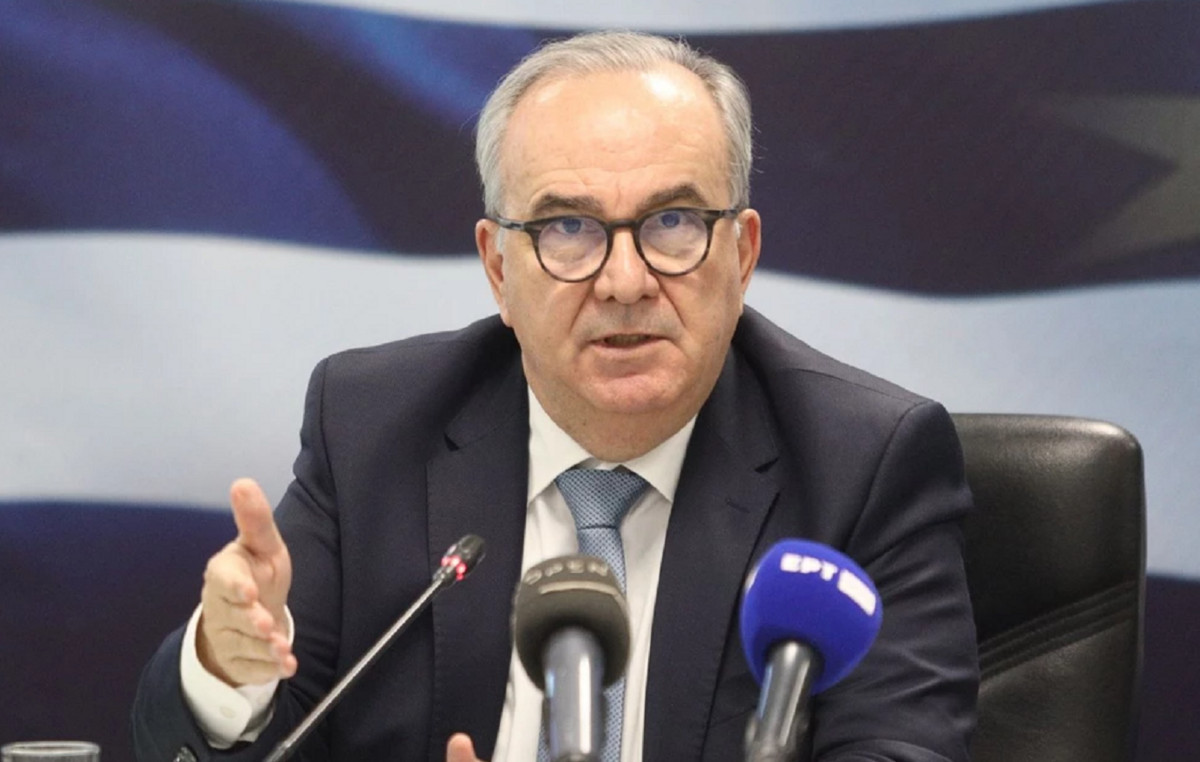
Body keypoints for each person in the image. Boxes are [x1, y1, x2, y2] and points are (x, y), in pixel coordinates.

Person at [132, 30, 978, 762]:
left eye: (673, 223)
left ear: (743, 254)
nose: (624, 281)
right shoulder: (373, 429)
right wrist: (229, 667)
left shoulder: (862, 466)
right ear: (498, 268)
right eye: (568, 228)